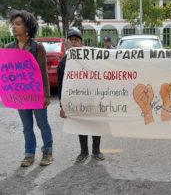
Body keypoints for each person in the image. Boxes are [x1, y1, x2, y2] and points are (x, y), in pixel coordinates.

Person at [6, 10, 53, 167]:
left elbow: (43, 72)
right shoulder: (9, 47)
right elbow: (7, 73)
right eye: (13, 24)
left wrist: (46, 95)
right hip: (20, 95)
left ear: (27, 27)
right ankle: (29, 154)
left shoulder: (37, 47)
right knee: (27, 126)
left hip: (36, 94)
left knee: (42, 124)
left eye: (18, 24)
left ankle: (47, 152)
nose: (14, 27)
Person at [57, 29, 105, 162]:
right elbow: (61, 86)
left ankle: (96, 151)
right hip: (76, 100)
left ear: (81, 43)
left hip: (92, 97)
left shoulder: (90, 57)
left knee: (96, 124)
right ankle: (84, 152)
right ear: (67, 43)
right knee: (81, 125)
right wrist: (62, 106)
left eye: (76, 40)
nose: (73, 42)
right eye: (70, 40)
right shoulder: (63, 62)